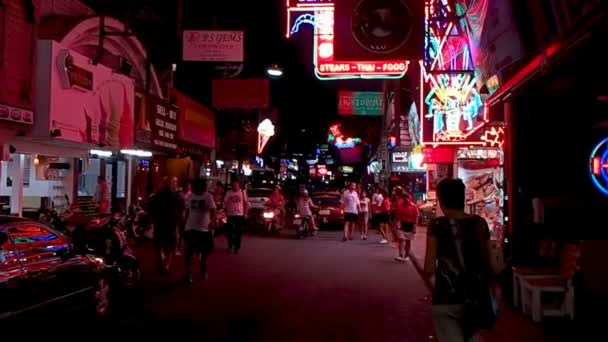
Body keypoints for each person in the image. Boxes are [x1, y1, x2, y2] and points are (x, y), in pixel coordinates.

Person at [424, 178, 493, 342]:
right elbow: (489, 261)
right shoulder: (479, 223)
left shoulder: (437, 225)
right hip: (475, 298)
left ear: (441, 201)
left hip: (446, 298)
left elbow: (429, 267)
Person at [183, 178, 216, 284]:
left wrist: (212, 221)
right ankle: (188, 273)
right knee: (189, 251)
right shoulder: (191, 196)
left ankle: (203, 269)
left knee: (204, 251)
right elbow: (187, 210)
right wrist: (184, 223)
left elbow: (213, 210)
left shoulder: (208, 196)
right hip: (191, 227)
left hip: (204, 228)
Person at [149, 176, 184, 274]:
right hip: (170, 222)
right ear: (170, 184)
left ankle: (161, 259)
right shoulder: (175, 195)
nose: (175, 184)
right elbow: (182, 206)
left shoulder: (158, 194)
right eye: (174, 182)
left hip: (160, 222)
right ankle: (167, 264)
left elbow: (151, 206)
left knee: (159, 243)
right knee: (171, 244)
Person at [223, 179, 250, 254]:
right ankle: (230, 245)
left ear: (239, 185)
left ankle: (237, 247)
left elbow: (246, 203)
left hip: (239, 215)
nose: (234, 186)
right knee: (229, 232)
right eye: (233, 185)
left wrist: (246, 213)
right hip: (230, 215)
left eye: (236, 185)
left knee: (238, 232)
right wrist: (224, 211)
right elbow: (225, 203)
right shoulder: (228, 193)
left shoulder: (242, 192)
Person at [394, 189, 419, 262]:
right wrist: (395, 224)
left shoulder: (414, 207)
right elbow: (397, 216)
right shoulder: (401, 206)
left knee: (408, 241)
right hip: (403, 224)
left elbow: (416, 217)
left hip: (410, 225)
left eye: (407, 198)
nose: (405, 199)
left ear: (409, 198)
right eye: (404, 198)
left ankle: (406, 256)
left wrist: (414, 227)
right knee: (401, 240)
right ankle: (400, 255)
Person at [176, 181, 193, 256]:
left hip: (189, 215)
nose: (187, 187)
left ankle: (187, 248)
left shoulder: (192, 194)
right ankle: (178, 248)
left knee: (188, 233)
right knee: (180, 232)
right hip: (180, 214)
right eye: (186, 186)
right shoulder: (180, 194)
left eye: (189, 186)